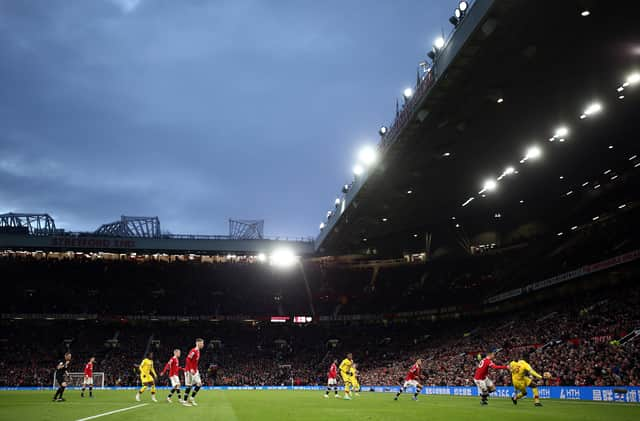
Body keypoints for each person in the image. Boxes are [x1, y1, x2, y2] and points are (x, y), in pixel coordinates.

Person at [184, 338, 204, 406]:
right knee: (189, 386)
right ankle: (185, 401)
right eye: (202, 343)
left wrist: (195, 369)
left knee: (199, 384)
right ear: (198, 343)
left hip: (195, 371)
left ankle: (191, 398)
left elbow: (194, 362)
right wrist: (191, 369)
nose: (203, 345)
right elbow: (188, 359)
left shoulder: (198, 351)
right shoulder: (194, 350)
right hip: (189, 370)